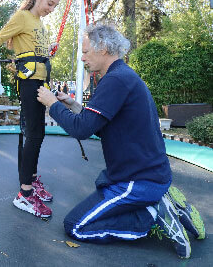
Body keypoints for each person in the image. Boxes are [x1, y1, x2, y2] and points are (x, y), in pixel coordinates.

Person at [37, 23, 205, 258]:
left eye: (85, 51)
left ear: (103, 48)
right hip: (148, 175)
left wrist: (52, 104)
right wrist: (73, 105)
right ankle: (159, 200)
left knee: (75, 226)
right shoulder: (120, 76)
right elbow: (96, 124)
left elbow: (82, 129)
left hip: (136, 181)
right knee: (95, 212)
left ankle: (152, 216)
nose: (82, 57)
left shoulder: (115, 80)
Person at [0, 0, 61, 218]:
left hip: (42, 82)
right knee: (34, 134)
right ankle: (25, 194)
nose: (51, 9)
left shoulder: (39, 23)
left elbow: (34, 49)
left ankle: (30, 180)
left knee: (35, 133)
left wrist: (48, 49)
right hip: (29, 82)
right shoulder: (22, 17)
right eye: (50, 3)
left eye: (55, 6)